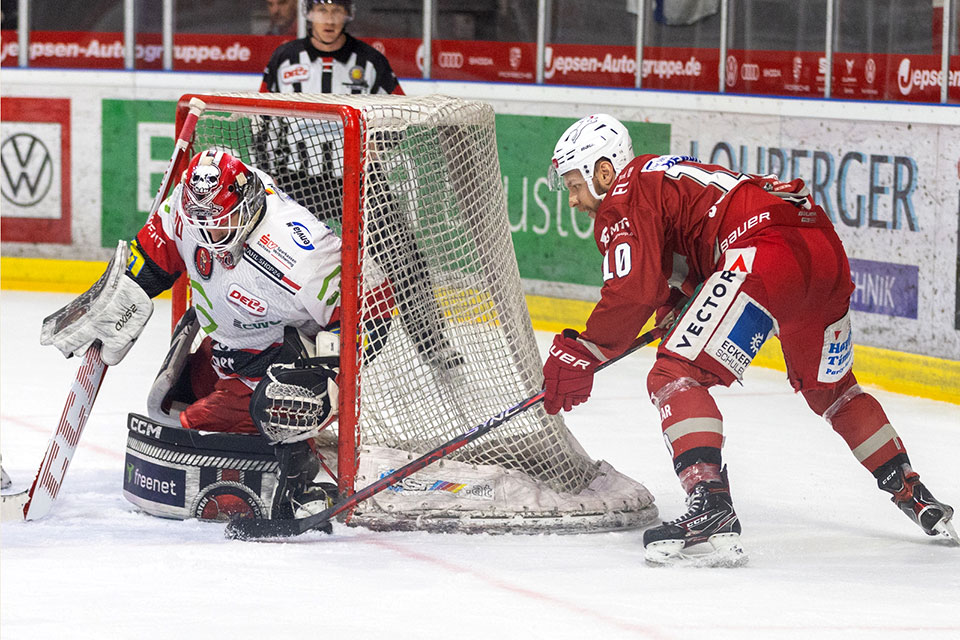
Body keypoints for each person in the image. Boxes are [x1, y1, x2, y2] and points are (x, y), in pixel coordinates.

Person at [542, 113, 957, 566]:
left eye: (574, 184)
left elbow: (633, 289)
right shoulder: (660, 177)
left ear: (604, 171)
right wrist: (680, 306)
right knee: (834, 391)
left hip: (765, 253)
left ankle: (711, 505)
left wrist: (584, 350)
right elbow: (678, 270)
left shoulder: (625, 192)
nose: (574, 200)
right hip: (822, 252)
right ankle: (911, 491)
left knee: (674, 373)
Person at [42, 149, 357, 519]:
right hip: (228, 347)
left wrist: (329, 380)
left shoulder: (301, 254)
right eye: (200, 221)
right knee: (167, 399)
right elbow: (155, 251)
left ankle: (297, 460)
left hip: (275, 370)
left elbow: (374, 304)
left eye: (219, 221)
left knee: (188, 429)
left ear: (249, 201)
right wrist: (124, 291)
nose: (208, 233)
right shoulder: (190, 206)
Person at [260, 0, 403, 95]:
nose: (329, 21)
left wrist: (375, 140)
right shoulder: (284, 57)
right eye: (322, 10)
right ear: (309, 13)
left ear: (348, 14)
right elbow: (262, 119)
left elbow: (397, 115)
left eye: (337, 11)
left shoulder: (372, 61)